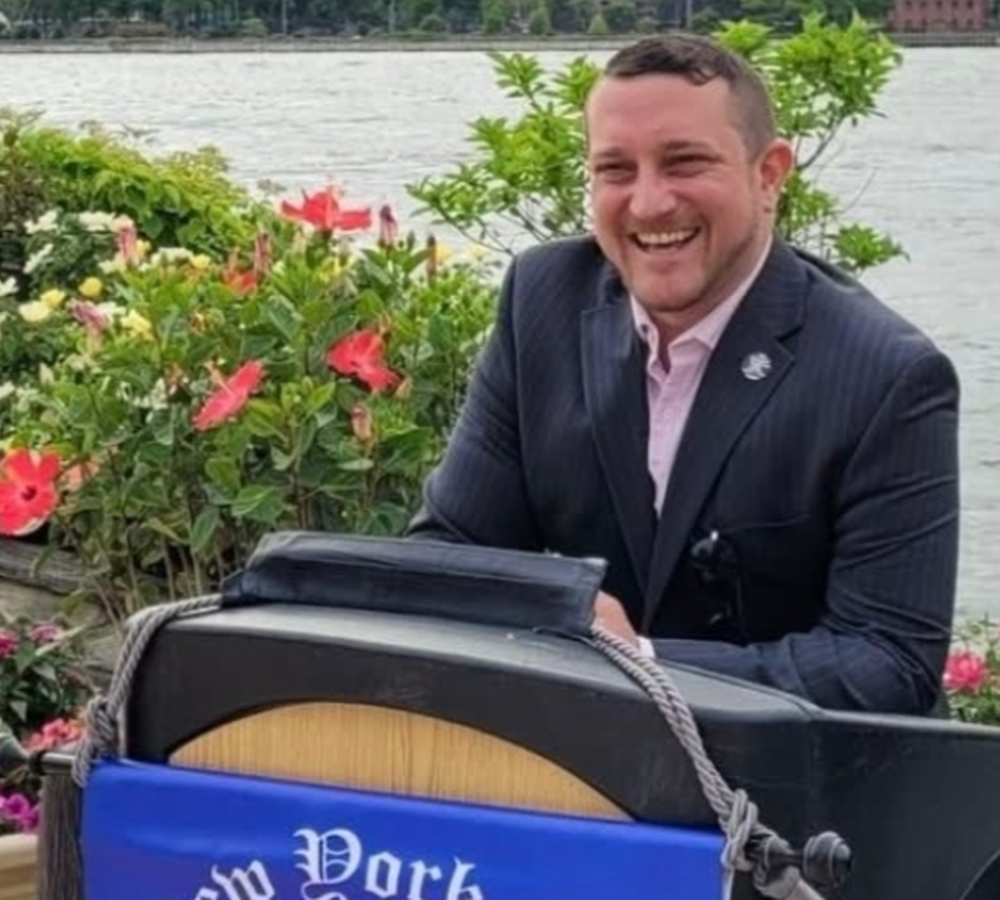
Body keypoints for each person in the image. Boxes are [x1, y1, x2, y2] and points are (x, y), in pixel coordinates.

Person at [406, 33, 960, 716]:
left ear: (769, 175)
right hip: (571, 756)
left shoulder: (887, 374)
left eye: (684, 162)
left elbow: (888, 662)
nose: (648, 203)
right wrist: (551, 609)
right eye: (615, 170)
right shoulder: (541, 299)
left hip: (799, 772)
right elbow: (449, 551)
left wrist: (636, 660)